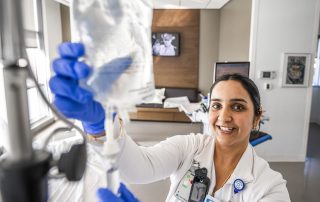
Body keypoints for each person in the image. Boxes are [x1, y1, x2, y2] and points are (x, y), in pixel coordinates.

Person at [50, 42, 290, 201]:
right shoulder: (191, 147)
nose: (224, 117)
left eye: (237, 107)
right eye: (217, 105)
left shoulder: (269, 188)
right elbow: (140, 167)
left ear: (257, 116)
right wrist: (102, 125)